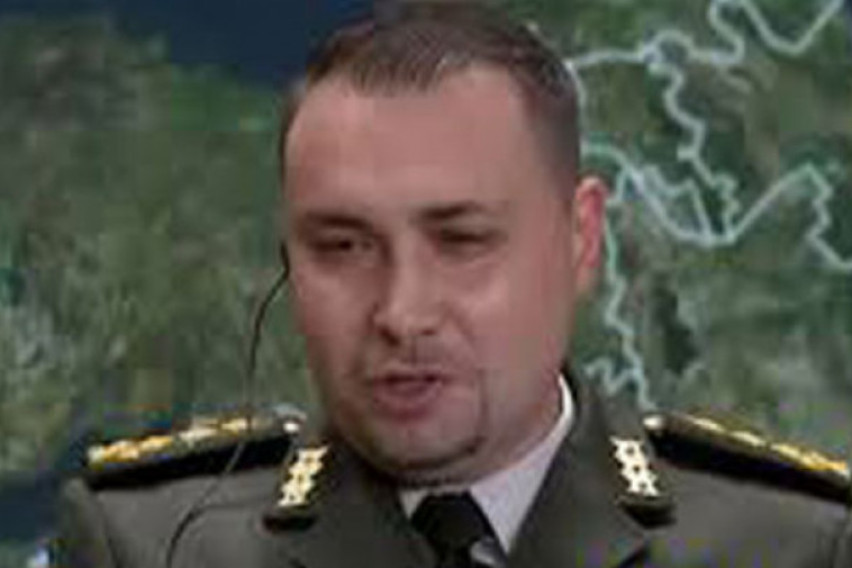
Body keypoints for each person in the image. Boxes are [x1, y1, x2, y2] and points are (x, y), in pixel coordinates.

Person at [55, 3, 852, 567]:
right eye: (342, 246)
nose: (401, 312)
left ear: (579, 240)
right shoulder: (151, 546)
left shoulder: (795, 545)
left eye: (462, 241)